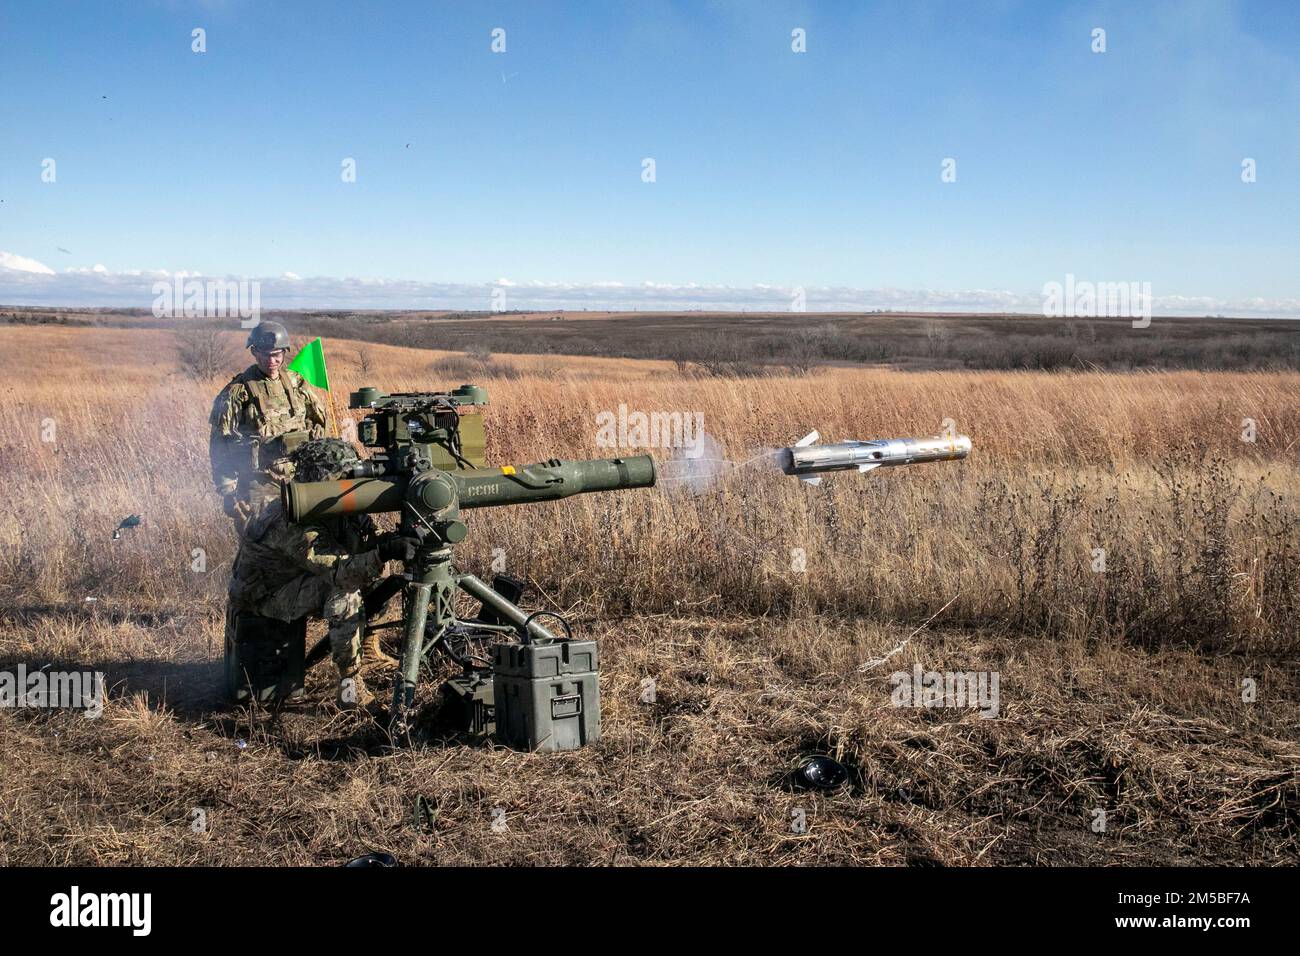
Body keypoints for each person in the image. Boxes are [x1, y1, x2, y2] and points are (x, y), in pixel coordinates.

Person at [228, 438, 412, 708]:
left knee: (372, 582)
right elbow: (340, 573)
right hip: (264, 595)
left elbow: (362, 544)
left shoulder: (336, 503)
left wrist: (391, 541)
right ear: (322, 479)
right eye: (344, 474)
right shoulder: (291, 518)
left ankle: (368, 652)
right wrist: (384, 552)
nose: (352, 479)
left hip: (298, 579)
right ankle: (350, 686)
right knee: (345, 592)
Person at [209, 320, 329, 529]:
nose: (271, 360)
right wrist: (228, 492)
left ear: (284, 352)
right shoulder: (237, 392)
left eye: (277, 354)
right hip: (259, 486)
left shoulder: (296, 383)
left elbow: (318, 423)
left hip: (300, 479)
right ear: (254, 352)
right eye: (265, 354)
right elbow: (219, 445)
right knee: (263, 550)